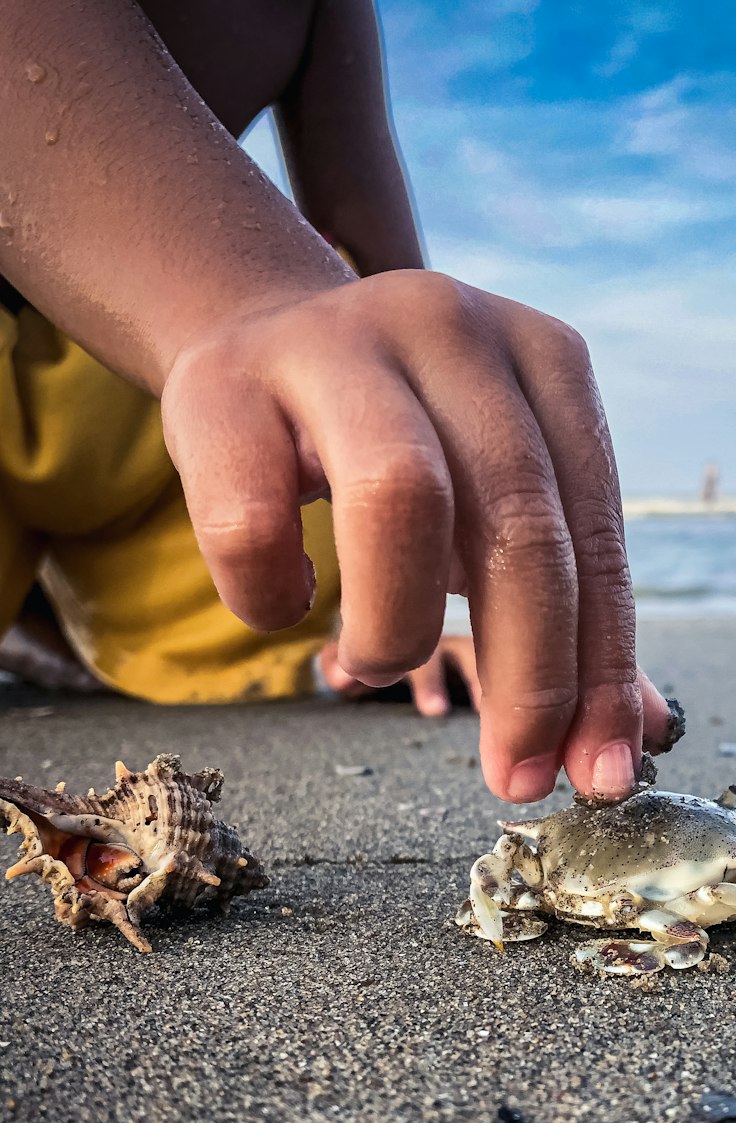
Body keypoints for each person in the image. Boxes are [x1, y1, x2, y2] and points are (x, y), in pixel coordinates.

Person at [0, 0, 680, 805]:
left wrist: (432, 575)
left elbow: (396, 299)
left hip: (160, 416)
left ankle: (338, 643)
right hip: (168, 335)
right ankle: (38, 628)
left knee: (370, 428)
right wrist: (252, 293)